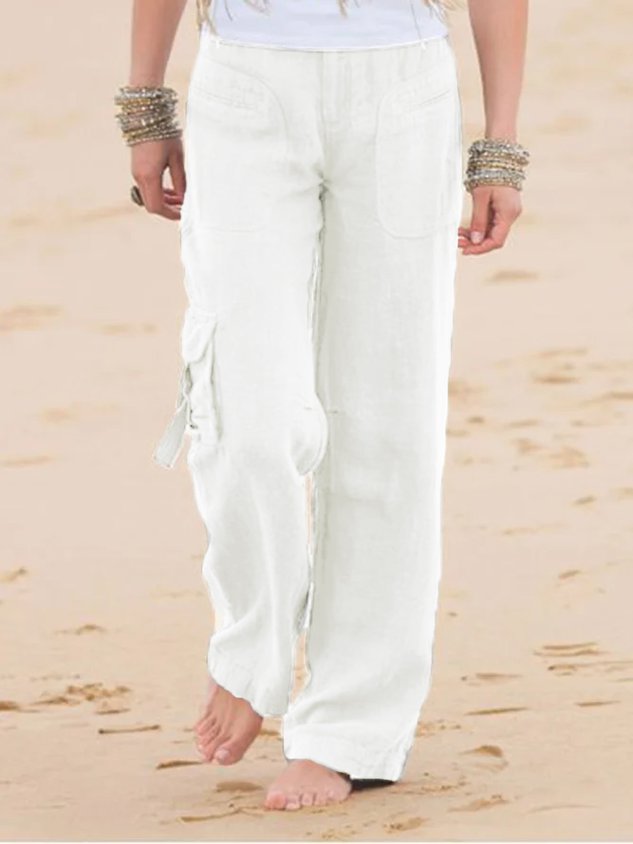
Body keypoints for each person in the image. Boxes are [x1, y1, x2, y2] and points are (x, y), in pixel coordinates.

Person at [116, 0, 529, 812]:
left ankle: (351, 730)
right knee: (244, 411)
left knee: (384, 423)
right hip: (243, 86)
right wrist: (145, 103)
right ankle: (252, 647)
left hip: (402, 90)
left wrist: (499, 149)